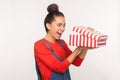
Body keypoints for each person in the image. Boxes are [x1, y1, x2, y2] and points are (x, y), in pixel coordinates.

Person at [34, 3, 92, 80]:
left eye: (64, 25)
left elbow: (77, 62)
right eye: (59, 25)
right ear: (48, 26)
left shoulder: (62, 43)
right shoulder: (39, 45)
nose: (63, 28)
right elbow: (60, 67)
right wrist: (78, 49)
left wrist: (85, 47)